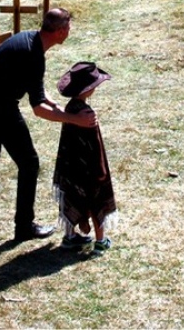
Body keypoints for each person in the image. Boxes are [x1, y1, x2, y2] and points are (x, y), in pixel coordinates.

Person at [0, 7, 97, 244]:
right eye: (69, 27)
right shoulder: (33, 54)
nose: (70, 31)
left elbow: (39, 94)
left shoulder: (31, 40)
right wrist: (75, 120)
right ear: (61, 31)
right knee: (29, 163)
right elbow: (38, 109)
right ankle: (23, 227)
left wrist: (61, 109)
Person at [53, 61, 118, 255]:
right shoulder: (88, 115)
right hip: (90, 169)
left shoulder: (70, 109)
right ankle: (100, 241)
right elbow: (95, 145)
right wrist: (101, 170)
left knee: (71, 197)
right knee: (96, 200)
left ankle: (70, 236)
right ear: (89, 90)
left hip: (71, 167)